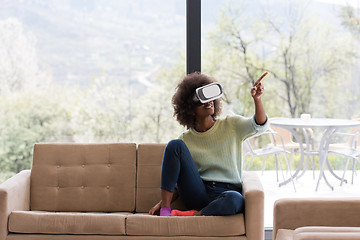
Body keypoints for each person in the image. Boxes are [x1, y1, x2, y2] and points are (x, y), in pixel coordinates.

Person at [149, 72, 268, 217]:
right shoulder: (185, 140)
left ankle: (196, 215)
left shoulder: (231, 125)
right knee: (175, 145)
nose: (208, 101)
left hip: (226, 193)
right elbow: (179, 184)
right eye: (200, 99)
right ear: (189, 108)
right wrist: (161, 205)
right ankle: (166, 212)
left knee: (235, 199)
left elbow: (259, 125)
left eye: (210, 97)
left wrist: (257, 99)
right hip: (198, 193)